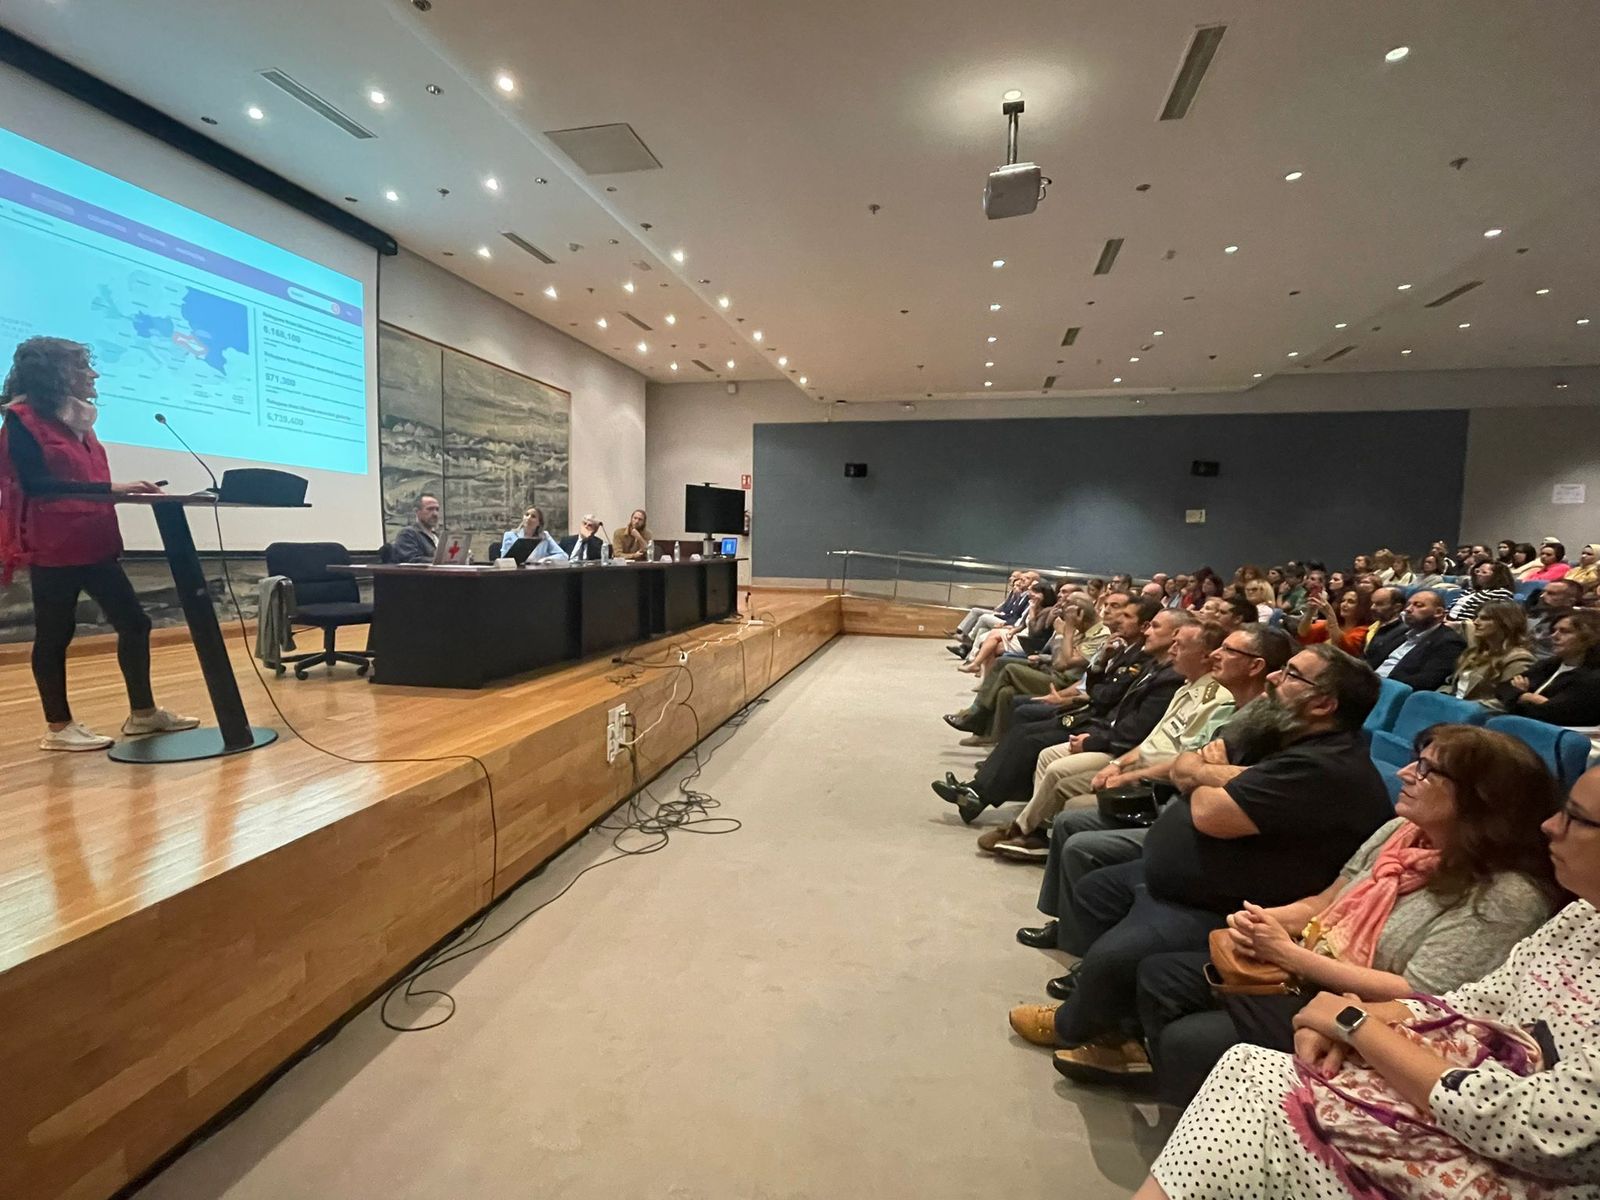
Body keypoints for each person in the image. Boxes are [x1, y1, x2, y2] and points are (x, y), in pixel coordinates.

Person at [1131, 763, 1600, 1200]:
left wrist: (1353, 1019)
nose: (1550, 826)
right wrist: (1340, 1008)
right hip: (1424, 1051)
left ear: (1478, 799)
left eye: (1576, 819)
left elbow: (1536, 1126)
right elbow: (1474, 1001)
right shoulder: (1580, 915)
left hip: (1502, 1156)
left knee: (1226, 1066)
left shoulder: (1509, 897)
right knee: (1222, 1043)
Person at [1127, 724, 1560, 1105]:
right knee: (1159, 977)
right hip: (1312, 970)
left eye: (1427, 771)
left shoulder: (1505, 896)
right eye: (1415, 762)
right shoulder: (1403, 833)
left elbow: (1420, 996)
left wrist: (1290, 955)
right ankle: (1199, 1106)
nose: (1404, 774)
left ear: (1481, 798)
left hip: (1381, 1022)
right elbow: (1329, 900)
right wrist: (1269, 922)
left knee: (1190, 1042)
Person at [1013, 644, 1392, 1074]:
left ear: (1324, 703)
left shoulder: (1328, 767)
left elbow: (1210, 813)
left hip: (1229, 906)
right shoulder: (1278, 731)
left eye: (1290, 674)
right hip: (1187, 879)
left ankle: (1080, 1027)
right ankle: (1114, 1019)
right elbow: (1189, 760)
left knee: (1114, 956)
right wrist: (1210, 774)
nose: (1272, 678)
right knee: (1094, 890)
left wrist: (1202, 776)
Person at [1015, 625, 1293, 957]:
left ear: (1255, 666)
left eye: (1228, 650)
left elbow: (1199, 772)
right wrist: (1128, 766)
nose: (1217, 653)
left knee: (1079, 833)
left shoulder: (1259, 724)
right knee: (1069, 821)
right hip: (1169, 795)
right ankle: (1065, 923)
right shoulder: (1230, 706)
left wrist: (1198, 771)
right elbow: (1181, 756)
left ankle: (1081, 945)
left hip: (1182, 818)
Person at [0, 336, 197, 751]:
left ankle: (143, 715)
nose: (93, 374)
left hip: (95, 540)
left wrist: (118, 493)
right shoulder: (20, 419)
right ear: (52, 373)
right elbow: (37, 484)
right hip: (55, 546)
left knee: (135, 623)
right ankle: (58, 727)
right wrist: (114, 489)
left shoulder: (78, 420)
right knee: (56, 633)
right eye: (81, 367)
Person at [986, 616, 1221, 860]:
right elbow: (1110, 701)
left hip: (1141, 764)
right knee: (1041, 744)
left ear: (1205, 656)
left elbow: (1159, 744)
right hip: (1119, 741)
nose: (1151, 634)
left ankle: (1026, 827)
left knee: (1052, 764)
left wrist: (1114, 761)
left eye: (1179, 644)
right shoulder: (1171, 677)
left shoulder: (1185, 685)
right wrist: (1101, 662)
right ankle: (1032, 829)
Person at [934, 595, 1150, 821]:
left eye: (1124, 613)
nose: (1112, 614)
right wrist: (1097, 663)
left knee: (1027, 730)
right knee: (1019, 721)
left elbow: (1101, 693)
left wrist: (1075, 645)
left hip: (1095, 719)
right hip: (1083, 704)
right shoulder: (1122, 648)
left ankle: (979, 787)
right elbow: (1091, 683)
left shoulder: (1137, 657)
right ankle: (977, 789)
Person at [1496, 609, 1600, 727]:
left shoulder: (1593, 677)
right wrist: (1530, 697)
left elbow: (1555, 713)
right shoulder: (1549, 665)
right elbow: (1502, 688)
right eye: (1554, 630)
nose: (1554, 636)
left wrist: (1519, 697)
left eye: (1565, 631)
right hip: (1528, 725)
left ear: (1589, 638)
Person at [1364, 589, 1466, 691]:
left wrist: (1375, 684)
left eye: (1418, 605)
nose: (1408, 609)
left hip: (1388, 692)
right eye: (1408, 605)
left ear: (1438, 612)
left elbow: (1426, 682)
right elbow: (1373, 659)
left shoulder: (1449, 642)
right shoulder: (1402, 632)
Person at [1442, 602, 1537, 703]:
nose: (1476, 622)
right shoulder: (1473, 652)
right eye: (1477, 617)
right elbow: (1450, 683)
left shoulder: (1519, 659)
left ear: (1505, 623)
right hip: (1451, 706)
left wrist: (1464, 709)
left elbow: (1506, 700)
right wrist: (1440, 697)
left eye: (1485, 618)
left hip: (1477, 713)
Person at [1296, 588, 1372, 655]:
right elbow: (1303, 632)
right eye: (1343, 601)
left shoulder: (1363, 630)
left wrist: (1329, 612)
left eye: (1351, 602)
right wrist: (1310, 612)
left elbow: (1340, 644)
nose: (1344, 604)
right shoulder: (1333, 623)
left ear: (1362, 607)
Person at [1448, 559, 1517, 621]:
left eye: (1484, 572)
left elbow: (1493, 619)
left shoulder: (1501, 593)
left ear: (1497, 577)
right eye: (1477, 571)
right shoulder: (1470, 591)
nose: (1478, 574)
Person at [1529, 576, 1583, 656]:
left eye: (1551, 594)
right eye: (1543, 592)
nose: (1542, 596)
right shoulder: (1535, 614)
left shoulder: (1576, 625)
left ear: (1570, 601)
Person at [499, 505, 566, 561]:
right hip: (516, 574)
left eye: (533, 516)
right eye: (527, 515)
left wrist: (546, 559)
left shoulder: (544, 536)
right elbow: (504, 561)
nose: (528, 518)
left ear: (539, 523)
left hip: (538, 573)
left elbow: (563, 556)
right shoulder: (510, 535)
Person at [392, 492, 443, 563]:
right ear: (417, 511)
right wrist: (441, 561)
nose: (435, 514)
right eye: (430, 509)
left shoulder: (438, 536)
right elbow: (412, 560)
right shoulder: (408, 534)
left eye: (437, 509)